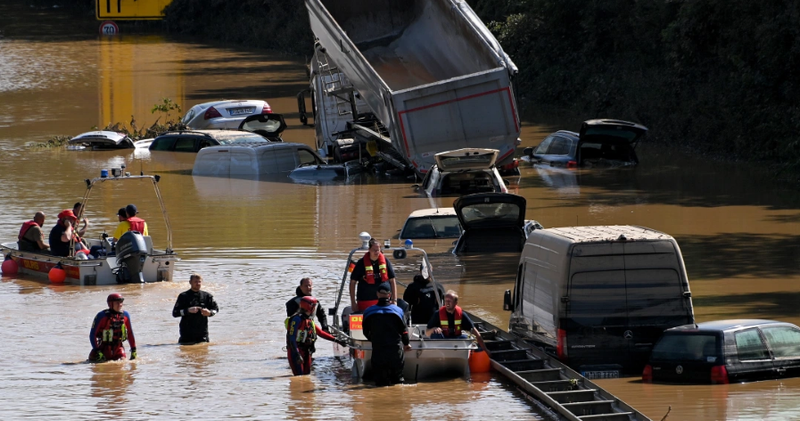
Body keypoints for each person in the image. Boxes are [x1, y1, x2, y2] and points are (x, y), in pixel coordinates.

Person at [362, 282, 411, 386]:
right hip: (395, 351)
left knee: (380, 383)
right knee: (398, 381)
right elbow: (404, 331)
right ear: (389, 295)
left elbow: (365, 332)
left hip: (379, 351)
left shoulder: (368, 312)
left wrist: (374, 340)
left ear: (377, 294)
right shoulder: (398, 311)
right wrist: (406, 344)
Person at [286, 296, 339, 375]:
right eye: (314, 306)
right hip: (296, 352)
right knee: (299, 376)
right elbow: (292, 338)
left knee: (306, 376)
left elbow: (320, 333)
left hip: (307, 351)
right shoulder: (296, 319)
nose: (315, 309)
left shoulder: (309, 320)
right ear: (310, 307)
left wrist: (337, 340)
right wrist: (297, 354)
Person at [425, 290, 489, 355]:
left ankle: (461, 356)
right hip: (443, 339)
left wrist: (485, 350)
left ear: (456, 302)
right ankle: (439, 355)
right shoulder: (437, 314)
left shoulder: (462, 314)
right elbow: (427, 333)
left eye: (450, 301)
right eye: (446, 301)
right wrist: (434, 329)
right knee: (435, 336)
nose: (447, 303)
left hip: (457, 339)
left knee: (466, 338)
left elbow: (476, 333)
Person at [349, 238, 397, 312]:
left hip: (384, 301)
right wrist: (353, 302)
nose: (376, 252)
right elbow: (352, 282)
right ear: (369, 249)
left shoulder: (386, 261)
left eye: (378, 250)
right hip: (364, 300)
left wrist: (394, 300)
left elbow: (392, 280)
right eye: (374, 250)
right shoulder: (361, 263)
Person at [172, 273, 219, 344]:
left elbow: (216, 309)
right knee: (185, 353)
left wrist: (209, 313)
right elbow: (175, 313)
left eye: (199, 281)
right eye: (195, 282)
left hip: (202, 333)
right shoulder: (183, 296)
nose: (198, 283)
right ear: (190, 282)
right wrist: (187, 310)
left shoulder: (207, 296)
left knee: (204, 353)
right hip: (186, 333)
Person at [89, 293, 137, 362]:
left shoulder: (125, 315)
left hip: (119, 349)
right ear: (110, 304)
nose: (120, 305)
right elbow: (92, 335)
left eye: (121, 302)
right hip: (103, 349)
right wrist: (97, 351)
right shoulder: (101, 316)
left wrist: (133, 349)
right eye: (117, 303)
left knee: (123, 364)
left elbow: (129, 333)